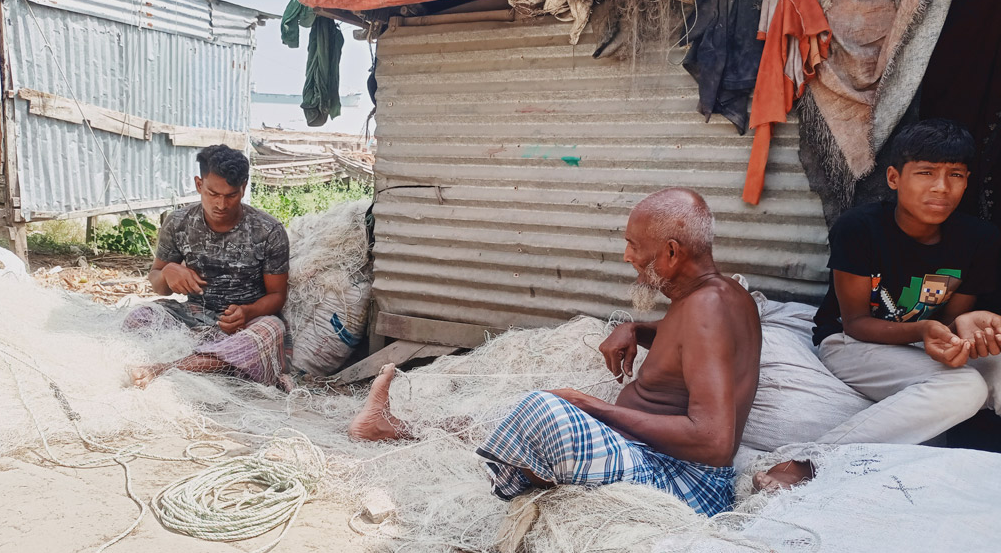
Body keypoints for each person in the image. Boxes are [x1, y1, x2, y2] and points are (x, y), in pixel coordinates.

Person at [349, 189, 762, 517]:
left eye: (635, 247)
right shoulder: (717, 296)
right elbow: (687, 344)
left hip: (684, 482)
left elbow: (714, 443)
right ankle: (395, 427)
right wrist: (634, 327)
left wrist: (592, 407)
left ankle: (410, 433)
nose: (627, 257)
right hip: (654, 456)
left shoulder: (707, 308)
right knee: (530, 411)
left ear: (672, 253)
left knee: (544, 411)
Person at [756, 119, 1001, 490]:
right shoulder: (860, 228)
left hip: (922, 341)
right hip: (850, 343)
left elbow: (950, 321)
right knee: (966, 388)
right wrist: (923, 330)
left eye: (956, 175)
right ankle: (807, 463)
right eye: (925, 172)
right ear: (893, 178)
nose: (941, 187)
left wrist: (966, 325)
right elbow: (854, 321)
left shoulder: (980, 239)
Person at [124, 144, 292, 390]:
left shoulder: (268, 231)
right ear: (199, 184)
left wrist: (247, 312)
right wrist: (168, 273)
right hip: (191, 318)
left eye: (231, 195)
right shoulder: (179, 223)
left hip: (243, 326)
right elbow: (158, 284)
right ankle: (210, 362)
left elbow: (277, 296)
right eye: (213, 193)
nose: (221, 205)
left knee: (271, 330)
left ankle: (164, 368)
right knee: (139, 316)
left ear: (244, 188)